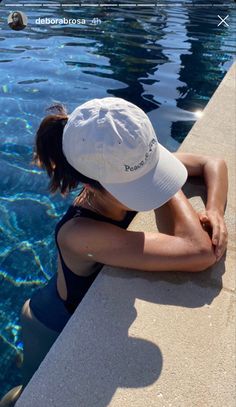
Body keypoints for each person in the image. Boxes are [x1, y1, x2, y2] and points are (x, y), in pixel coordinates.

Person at [0, 97, 228, 406]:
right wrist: (166, 184)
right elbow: (200, 252)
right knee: (30, 394)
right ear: (91, 186)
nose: (149, 187)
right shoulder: (80, 234)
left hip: (55, 302)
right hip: (51, 322)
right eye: (138, 184)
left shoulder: (118, 166)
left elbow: (213, 164)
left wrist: (213, 210)